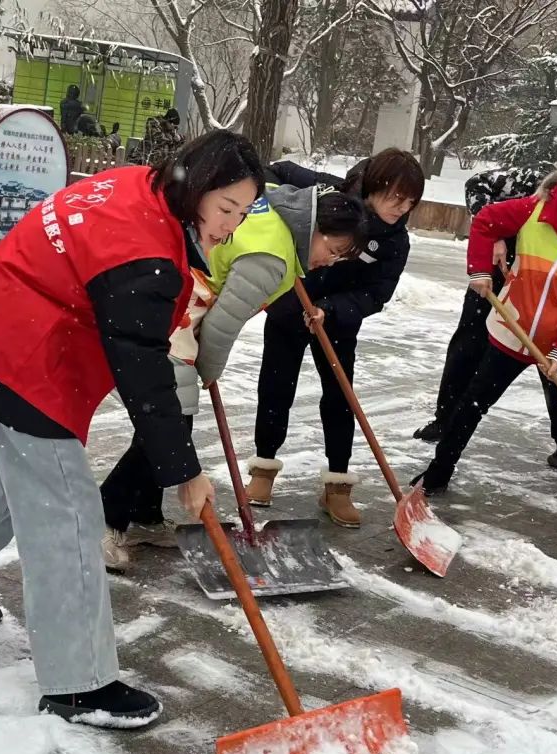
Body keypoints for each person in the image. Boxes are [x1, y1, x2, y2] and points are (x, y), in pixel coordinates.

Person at [0, 130, 265, 727]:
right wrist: (183, 471)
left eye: (244, 213)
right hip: (26, 366)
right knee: (69, 522)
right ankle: (79, 683)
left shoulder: (136, 186)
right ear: (194, 187)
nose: (231, 226)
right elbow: (144, 373)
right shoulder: (142, 249)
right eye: (226, 209)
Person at [99, 185, 368, 570]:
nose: (331, 261)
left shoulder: (278, 211)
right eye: (334, 250)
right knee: (170, 425)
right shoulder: (272, 258)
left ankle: (145, 513)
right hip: (179, 307)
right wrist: (205, 371)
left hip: (174, 286)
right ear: (316, 229)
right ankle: (105, 520)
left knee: (169, 425)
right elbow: (223, 325)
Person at [411, 160, 557, 535]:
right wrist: (479, 269)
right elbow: (487, 220)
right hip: (513, 329)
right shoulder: (535, 212)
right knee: (471, 404)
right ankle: (438, 472)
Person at [242, 149, 425, 528]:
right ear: (375, 186)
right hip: (289, 308)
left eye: (410, 202)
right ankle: (263, 470)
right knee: (275, 389)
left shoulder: (395, 242)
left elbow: (377, 294)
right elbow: (274, 171)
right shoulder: (326, 195)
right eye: (396, 197)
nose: (401, 208)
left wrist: (332, 308)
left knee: (341, 398)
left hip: (338, 324)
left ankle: (337, 485)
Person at [414, 160, 557, 472]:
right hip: (495, 273)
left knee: (553, 360)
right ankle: (446, 418)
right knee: (469, 345)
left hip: (545, 285)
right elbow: (476, 184)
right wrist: (497, 235)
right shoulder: (534, 179)